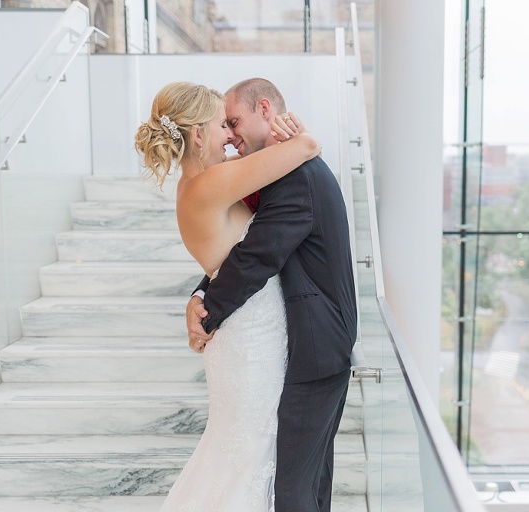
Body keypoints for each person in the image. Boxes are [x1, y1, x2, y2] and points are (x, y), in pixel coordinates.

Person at [135, 81, 320, 511]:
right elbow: (307, 146)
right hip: (248, 340)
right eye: (224, 125)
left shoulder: (195, 187)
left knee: (240, 455)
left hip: (244, 333)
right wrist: (288, 129)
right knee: (247, 455)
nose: (232, 137)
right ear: (198, 135)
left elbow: (223, 258)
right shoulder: (212, 183)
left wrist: (196, 295)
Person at [186, 78, 357, 512]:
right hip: (314, 345)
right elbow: (242, 245)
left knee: (295, 488)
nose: (231, 132)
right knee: (309, 482)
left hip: (316, 349)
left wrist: (208, 313)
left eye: (234, 120)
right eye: (223, 124)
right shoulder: (286, 170)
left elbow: (257, 256)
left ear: (265, 109)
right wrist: (201, 291)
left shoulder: (296, 174)